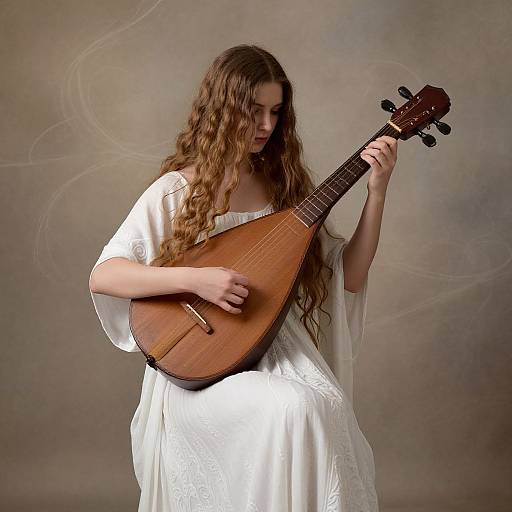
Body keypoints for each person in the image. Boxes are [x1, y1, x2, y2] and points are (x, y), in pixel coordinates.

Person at [89, 44, 397, 512]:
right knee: (296, 409)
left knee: (321, 408)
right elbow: (105, 275)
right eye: (253, 112)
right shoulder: (177, 191)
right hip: (196, 369)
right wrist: (197, 281)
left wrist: (377, 193)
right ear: (222, 108)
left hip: (277, 352)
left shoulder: (284, 189)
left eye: (276, 112)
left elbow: (347, 276)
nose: (267, 126)